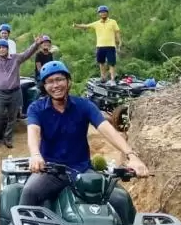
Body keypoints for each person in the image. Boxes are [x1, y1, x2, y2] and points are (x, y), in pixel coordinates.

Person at [22, 60, 149, 208]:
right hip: (50, 171)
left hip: (81, 170)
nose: (56, 85)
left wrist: (131, 156)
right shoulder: (36, 108)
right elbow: (33, 131)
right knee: (30, 192)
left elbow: (106, 129)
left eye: (60, 79)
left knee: (121, 201)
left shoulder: (84, 105)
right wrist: (36, 155)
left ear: (68, 81)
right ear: (44, 86)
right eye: (50, 81)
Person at [73, 5, 122, 84]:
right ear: (99, 14)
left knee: (111, 63)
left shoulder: (113, 22)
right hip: (100, 46)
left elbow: (117, 32)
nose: (103, 14)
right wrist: (76, 25)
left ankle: (112, 79)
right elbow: (86, 26)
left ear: (107, 13)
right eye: (101, 12)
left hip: (110, 46)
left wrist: (120, 41)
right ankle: (103, 77)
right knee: (101, 62)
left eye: (104, 12)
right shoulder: (96, 23)